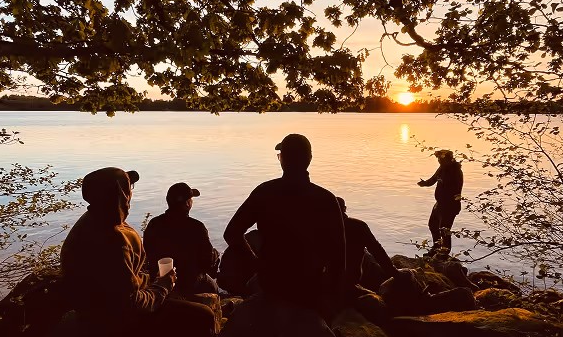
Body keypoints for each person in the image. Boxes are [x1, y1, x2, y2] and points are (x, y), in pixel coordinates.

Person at [60, 167, 216, 337]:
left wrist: (151, 281)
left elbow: (125, 279)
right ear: (119, 195)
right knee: (200, 317)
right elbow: (130, 303)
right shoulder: (110, 237)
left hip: (101, 308)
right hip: (110, 319)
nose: (131, 193)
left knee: (185, 312)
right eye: (128, 188)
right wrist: (163, 286)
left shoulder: (98, 222)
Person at [223, 134, 346, 318]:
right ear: (309, 159)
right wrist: (333, 298)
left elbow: (231, 233)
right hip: (311, 285)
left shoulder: (264, 192)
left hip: (272, 282)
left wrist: (254, 261)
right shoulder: (326, 199)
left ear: (282, 160)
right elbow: (339, 255)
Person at [143, 182, 219, 295]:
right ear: (188, 204)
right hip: (188, 282)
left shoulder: (154, 224)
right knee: (213, 287)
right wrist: (215, 256)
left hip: (158, 279)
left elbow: (147, 253)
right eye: (191, 199)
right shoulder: (197, 227)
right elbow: (206, 263)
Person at [336, 197, 401, 290]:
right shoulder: (357, 225)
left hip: (326, 280)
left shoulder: (320, 227)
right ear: (345, 209)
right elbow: (377, 250)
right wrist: (394, 273)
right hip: (349, 281)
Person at [417, 149, 464, 255]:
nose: (439, 161)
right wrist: (424, 183)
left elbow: (455, 189)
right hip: (440, 204)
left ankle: (444, 253)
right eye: (438, 158)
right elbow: (433, 180)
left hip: (450, 205)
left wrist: (448, 201)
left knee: (444, 230)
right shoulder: (442, 168)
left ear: (448, 159)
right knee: (432, 225)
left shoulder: (455, 171)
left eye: (441, 158)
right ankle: (436, 247)